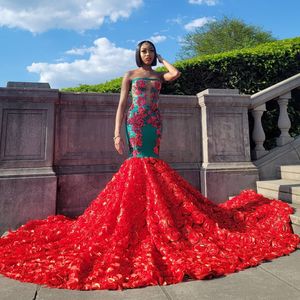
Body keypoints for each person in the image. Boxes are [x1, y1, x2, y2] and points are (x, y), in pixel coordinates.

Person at [0, 41, 299, 291]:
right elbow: (121, 105)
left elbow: (176, 73)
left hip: (155, 122)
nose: (147, 55)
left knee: (153, 164)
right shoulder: (129, 74)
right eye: (144, 51)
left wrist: (164, 59)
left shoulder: (158, 76)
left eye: (151, 51)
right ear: (137, 54)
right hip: (136, 121)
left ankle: (155, 213)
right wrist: (117, 132)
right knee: (138, 164)